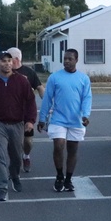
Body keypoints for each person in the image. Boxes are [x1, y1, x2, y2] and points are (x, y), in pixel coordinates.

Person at [0, 51, 37, 202]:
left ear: (13, 63)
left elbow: (30, 102)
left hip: (17, 124)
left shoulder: (21, 81)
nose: (6, 64)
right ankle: (2, 187)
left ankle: (15, 175)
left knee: (15, 156)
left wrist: (30, 120)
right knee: (0, 156)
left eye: (9, 61)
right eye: (3, 61)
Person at [37, 48, 92, 193]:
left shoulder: (83, 79)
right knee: (59, 145)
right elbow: (47, 99)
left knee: (73, 149)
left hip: (76, 120)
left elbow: (87, 98)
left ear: (76, 60)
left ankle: (68, 179)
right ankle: (59, 176)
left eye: (70, 59)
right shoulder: (55, 77)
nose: (66, 61)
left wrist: (86, 115)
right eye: (65, 58)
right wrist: (42, 118)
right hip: (58, 119)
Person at [5, 47, 44, 173]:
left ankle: (26, 156)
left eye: (9, 59)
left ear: (15, 59)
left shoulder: (29, 72)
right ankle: (14, 163)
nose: (7, 62)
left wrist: (48, 102)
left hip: (26, 112)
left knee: (27, 141)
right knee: (13, 142)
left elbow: (39, 87)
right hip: (9, 112)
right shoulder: (3, 71)